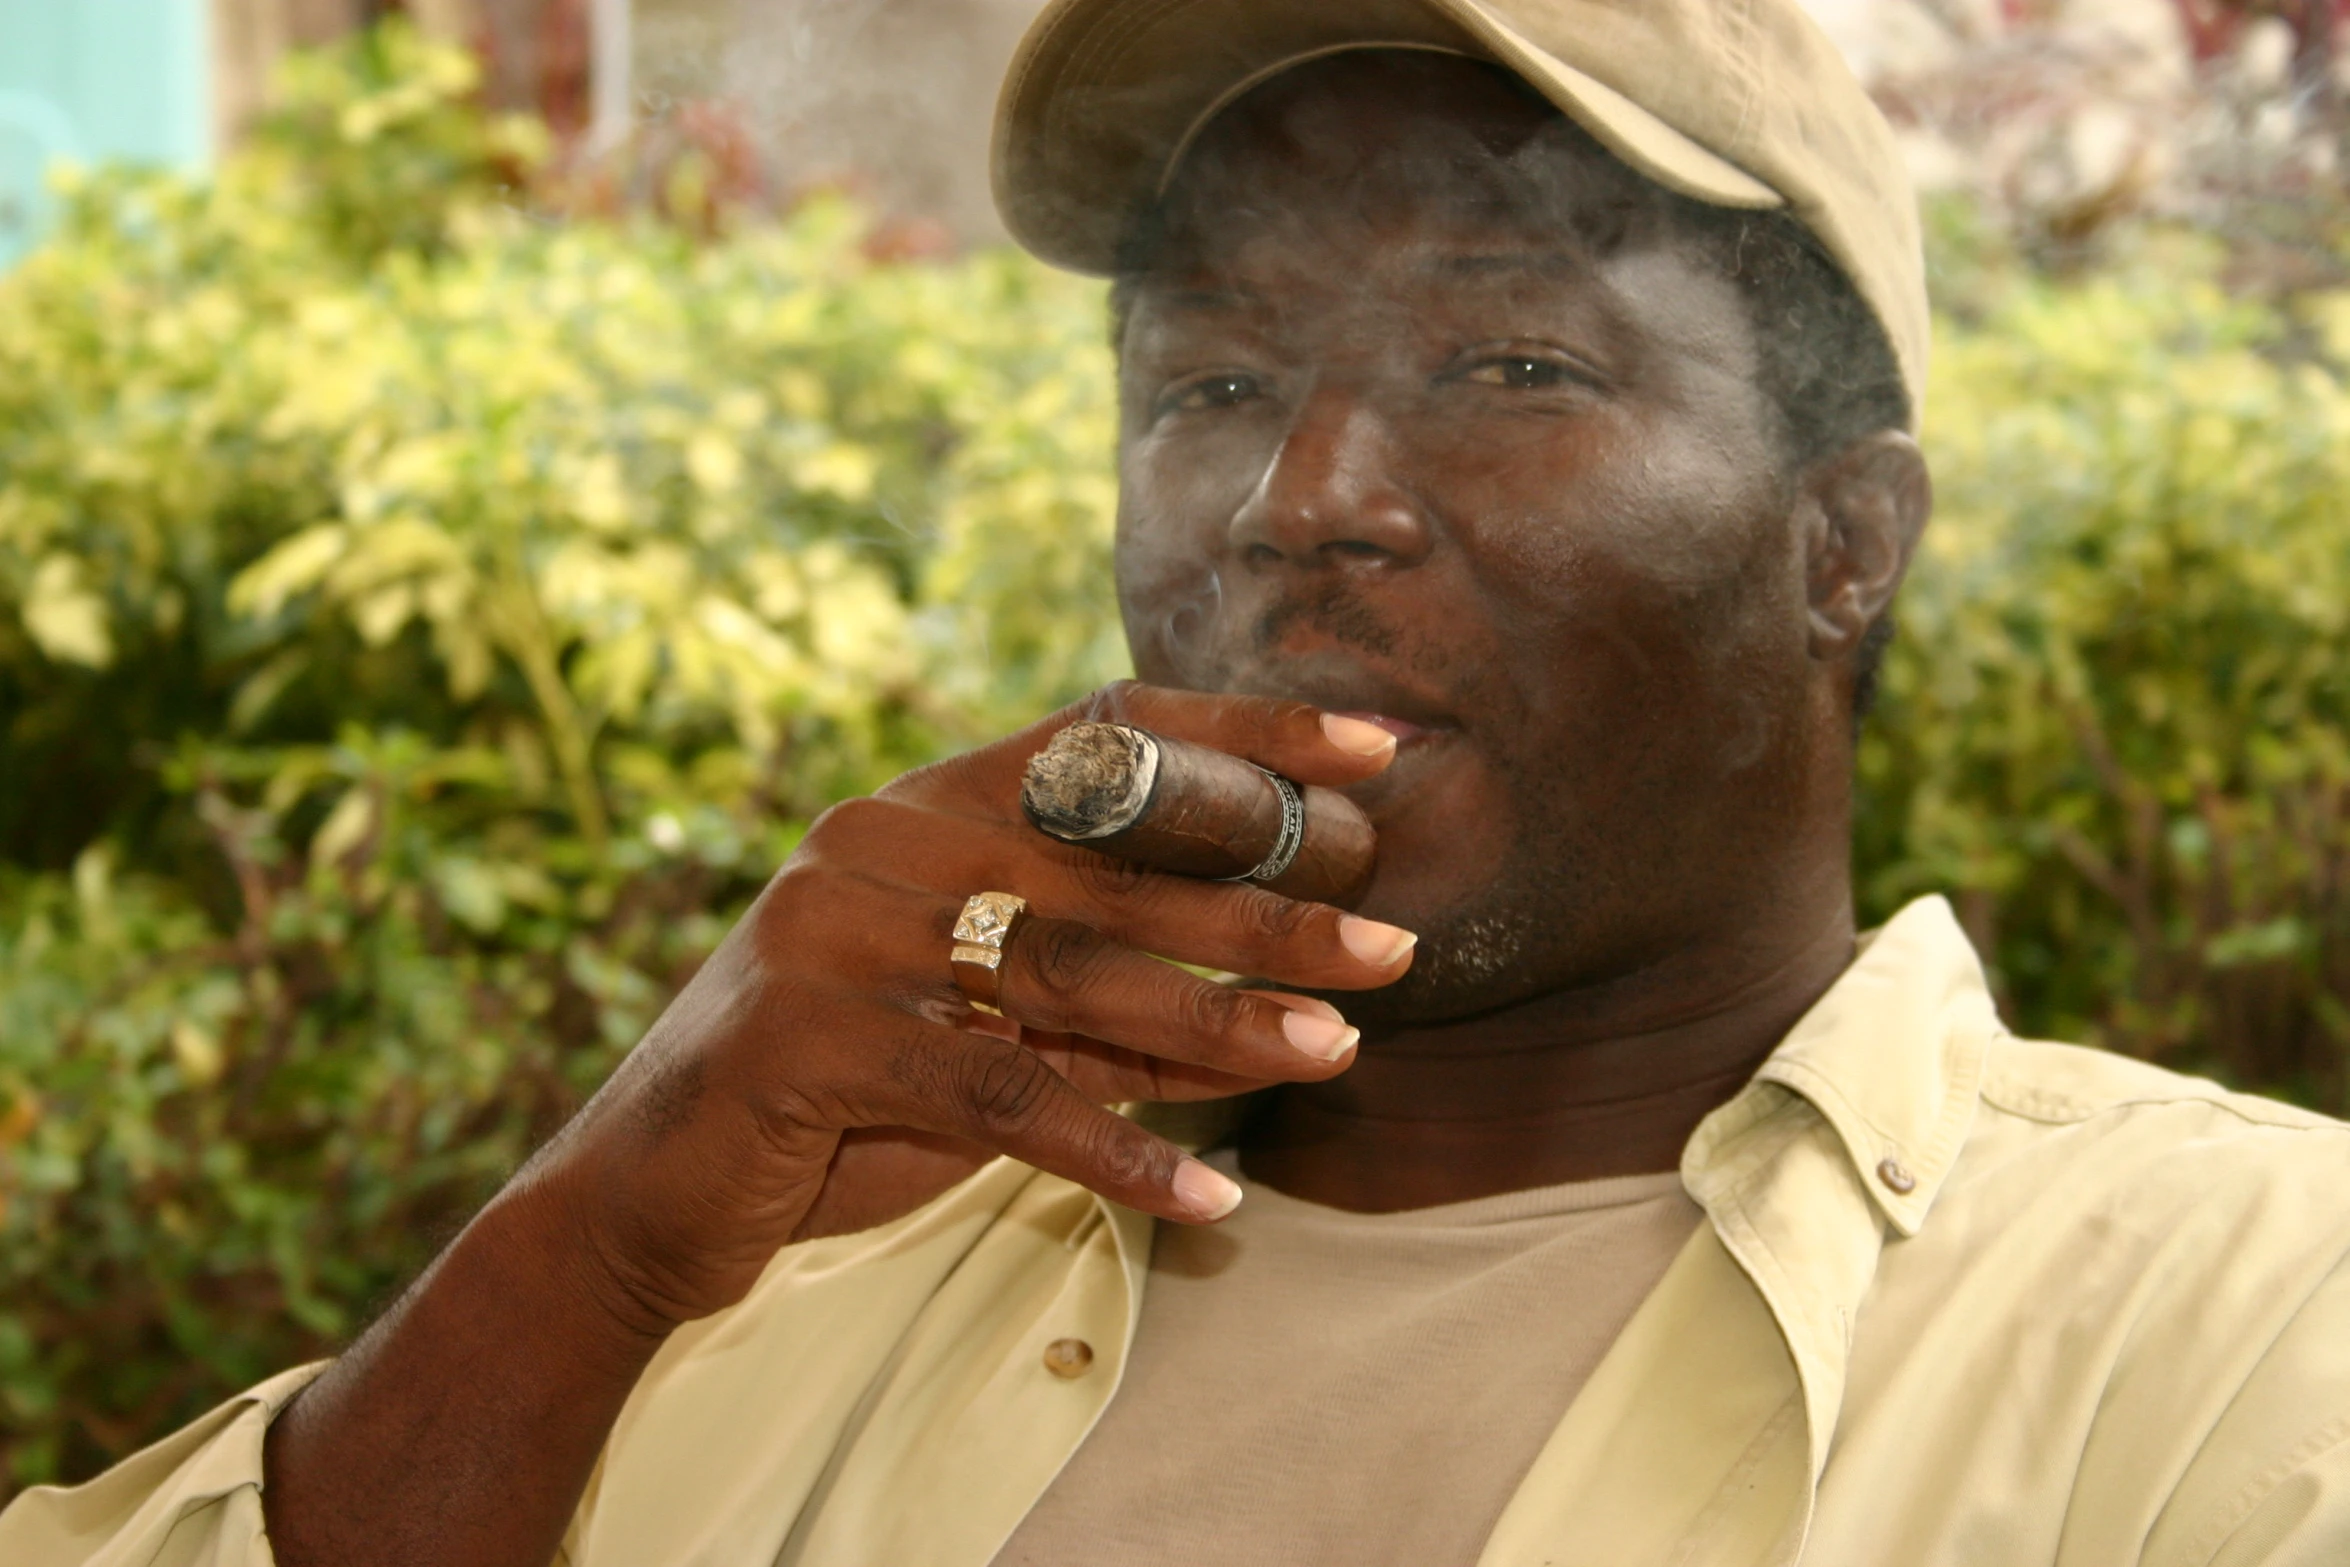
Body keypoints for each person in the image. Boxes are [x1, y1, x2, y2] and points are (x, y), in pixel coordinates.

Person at [10, 1, 2350, 1563]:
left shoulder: (2243, 1321)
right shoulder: (774, 1276)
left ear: (1839, 548)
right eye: (1209, 381)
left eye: (1508, 356)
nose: (1299, 497)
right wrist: (603, 1230)